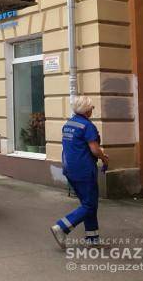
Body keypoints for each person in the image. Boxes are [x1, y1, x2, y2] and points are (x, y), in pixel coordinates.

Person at [51, 96, 109, 249]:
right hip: (84, 169)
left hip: (70, 169)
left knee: (88, 204)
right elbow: (94, 149)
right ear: (86, 109)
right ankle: (61, 227)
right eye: (91, 107)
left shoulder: (69, 124)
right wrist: (104, 157)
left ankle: (93, 239)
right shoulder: (87, 126)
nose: (93, 110)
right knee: (89, 205)